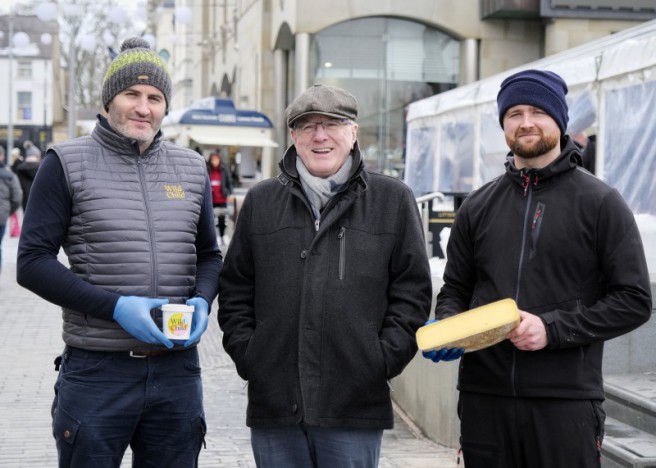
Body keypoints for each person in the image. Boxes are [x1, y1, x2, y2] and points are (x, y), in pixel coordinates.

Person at [423, 69, 652, 468]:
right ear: (503, 125)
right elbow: (456, 288)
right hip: (484, 398)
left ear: (559, 121)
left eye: (537, 111)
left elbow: (634, 300)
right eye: (514, 113)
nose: (526, 122)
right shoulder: (477, 206)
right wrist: (450, 327)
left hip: (564, 401)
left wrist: (552, 329)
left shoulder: (600, 203)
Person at [16, 37, 222, 467]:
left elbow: (209, 254)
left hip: (177, 371)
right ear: (109, 99)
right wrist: (116, 307)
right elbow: (32, 262)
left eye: (155, 97)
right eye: (132, 94)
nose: (143, 107)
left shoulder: (191, 168)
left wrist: (203, 299)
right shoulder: (66, 162)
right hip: (97, 372)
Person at [217, 83, 433, 467]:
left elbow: (412, 292)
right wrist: (251, 355)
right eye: (307, 125)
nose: (320, 135)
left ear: (353, 133)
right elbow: (235, 287)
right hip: (276, 405)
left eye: (332, 124)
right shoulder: (261, 202)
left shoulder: (392, 200)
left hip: (354, 403)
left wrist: (380, 360)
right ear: (293, 137)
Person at [0, 146, 22, 272]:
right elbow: (17, 197)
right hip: (1, 215)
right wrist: (9, 210)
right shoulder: (9, 175)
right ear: (2, 156)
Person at [207, 151, 233, 244]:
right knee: (210, 221)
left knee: (222, 221)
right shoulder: (208, 170)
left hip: (222, 198)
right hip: (211, 199)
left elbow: (229, 183)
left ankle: (222, 237)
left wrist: (230, 193)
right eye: (212, 160)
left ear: (219, 160)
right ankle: (211, 239)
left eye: (216, 159)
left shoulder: (223, 170)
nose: (214, 161)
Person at [14, 140, 42, 211]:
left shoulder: (19, 168)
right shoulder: (43, 168)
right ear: (37, 156)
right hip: (41, 201)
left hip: (25, 201)